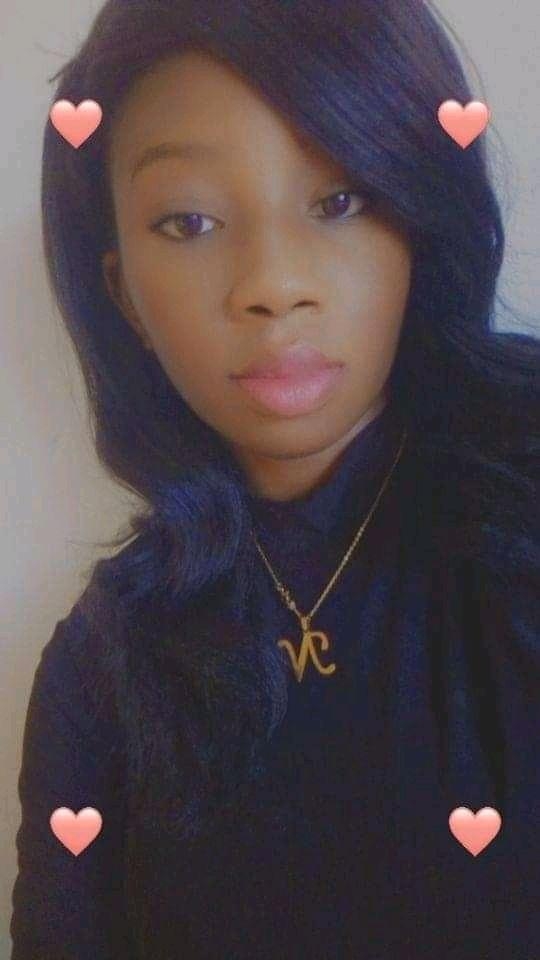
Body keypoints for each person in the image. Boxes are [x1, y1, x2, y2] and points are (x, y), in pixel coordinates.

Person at [10, 0, 540, 957]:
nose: (273, 284)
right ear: (122, 292)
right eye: (190, 220)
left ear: (421, 217)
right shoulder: (102, 665)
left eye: (341, 201)